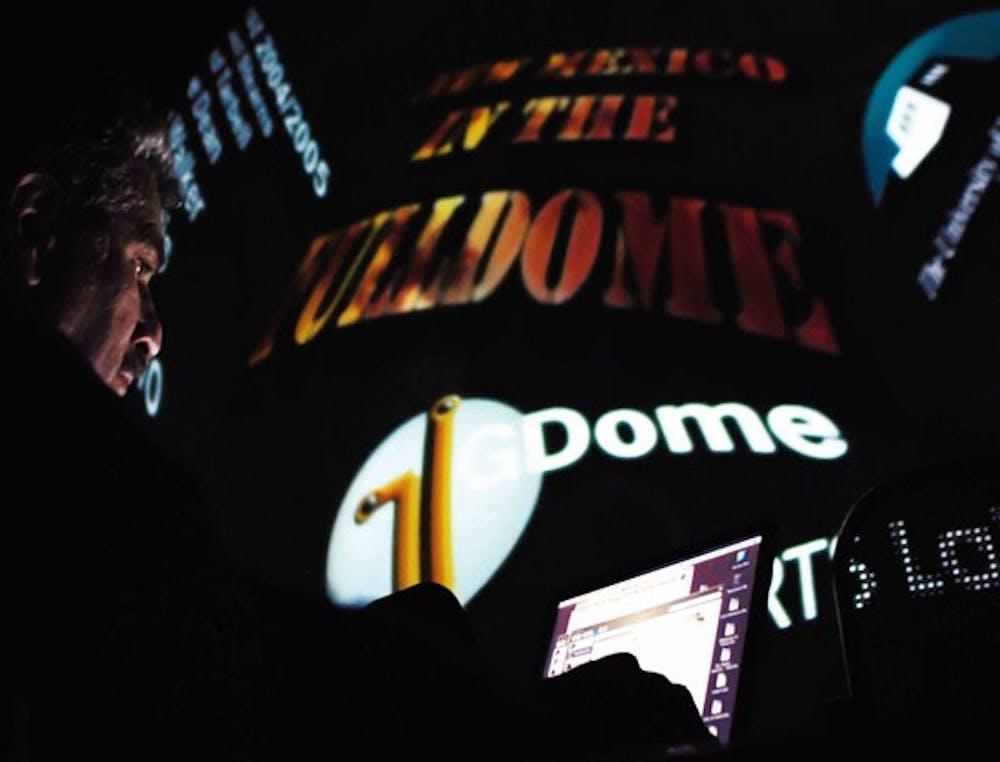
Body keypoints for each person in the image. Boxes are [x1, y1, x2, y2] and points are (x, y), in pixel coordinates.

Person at [0, 78, 718, 762]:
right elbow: (248, 677)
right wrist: (541, 721)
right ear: (35, 229)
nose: (153, 329)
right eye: (139, 268)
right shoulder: (78, 479)